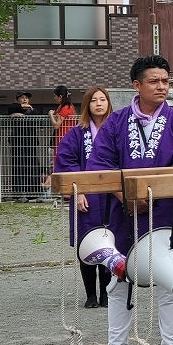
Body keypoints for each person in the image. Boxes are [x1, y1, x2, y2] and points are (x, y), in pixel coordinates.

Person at [85, 55, 173, 345]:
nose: (162, 86)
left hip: (166, 216)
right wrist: (126, 195)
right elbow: (100, 164)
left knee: (168, 285)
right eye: (154, 81)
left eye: (166, 81)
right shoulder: (117, 121)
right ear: (137, 85)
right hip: (123, 215)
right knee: (118, 285)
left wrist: (153, 195)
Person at [53, 86, 114, 308]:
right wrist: (77, 192)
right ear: (87, 105)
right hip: (85, 198)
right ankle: (90, 295)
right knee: (86, 246)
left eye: (103, 99)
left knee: (110, 245)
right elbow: (66, 162)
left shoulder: (117, 131)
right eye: (94, 100)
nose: (99, 104)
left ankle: (107, 293)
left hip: (111, 198)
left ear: (108, 103)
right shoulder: (77, 134)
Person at [7, 91, 40, 200]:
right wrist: (22, 107)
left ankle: (33, 194)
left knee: (32, 167)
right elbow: (11, 108)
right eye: (22, 98)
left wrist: (28, 110)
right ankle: (18, 193)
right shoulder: (14, 108)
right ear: (17, 100)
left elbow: (37, 115)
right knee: (18, 167)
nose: (25, 100)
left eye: (27, 98)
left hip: (30, 143)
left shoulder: (33, 111)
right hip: (17, 143)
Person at [49, 85, 77, 158]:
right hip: (62, 138)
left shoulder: (65, 108)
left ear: (60, 97)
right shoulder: (63, 107)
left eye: (55, 96)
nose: (54, 98)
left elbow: (56, 125)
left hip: (64, 139)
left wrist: (50, 115)